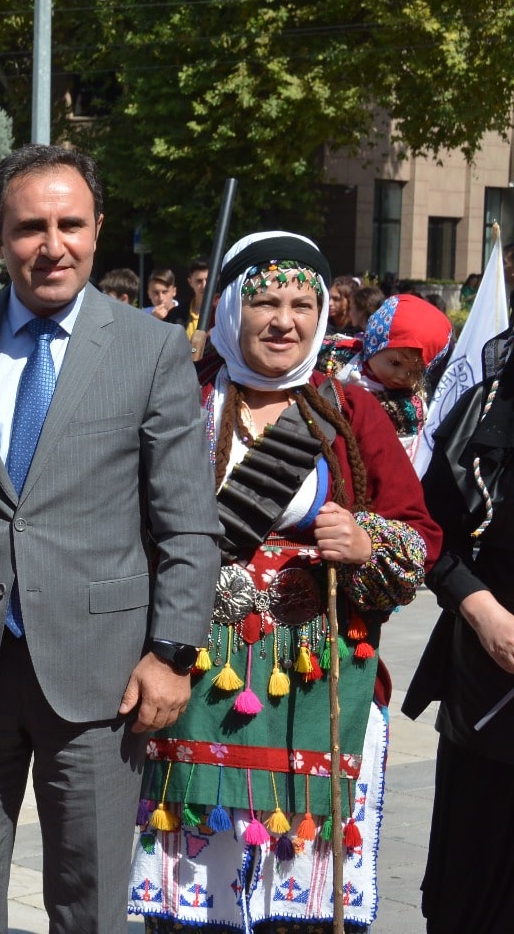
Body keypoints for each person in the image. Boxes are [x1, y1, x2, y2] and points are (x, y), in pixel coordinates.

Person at [0, 143, 221, 933]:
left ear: (98, 227)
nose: (53, 246)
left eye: (70, 224)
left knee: (89, 896)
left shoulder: (149, 349)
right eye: (30, 227)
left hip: (101, 672)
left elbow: (186, 517)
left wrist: (173, 650)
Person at [128, 231, 440, 932]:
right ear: (233, 308)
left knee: (295, 909)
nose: (284, 320)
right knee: (189, 906)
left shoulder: (349, 411)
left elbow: (419, 536)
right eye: (265, 300)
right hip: (195, 675)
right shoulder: (186, 398)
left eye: (303, 303)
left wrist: (366, 542)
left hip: (316, 677)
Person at [403, 324, 514, 933]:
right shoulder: (486, 408)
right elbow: (428, 531)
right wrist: (481, 609)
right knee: (472, 889)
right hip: (491, 684)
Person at [334, 292, 454, 450]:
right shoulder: (339, 355)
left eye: (415, 373)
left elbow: (394, 455)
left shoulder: (406, 408)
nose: (401, 376)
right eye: (395, 363)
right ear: (373, 344)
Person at [167, 258, 211, 339]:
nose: (204, 285)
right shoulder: (175, 315)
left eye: (208, 280)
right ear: (190, 282)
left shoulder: (222, 313)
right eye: (199, 281)